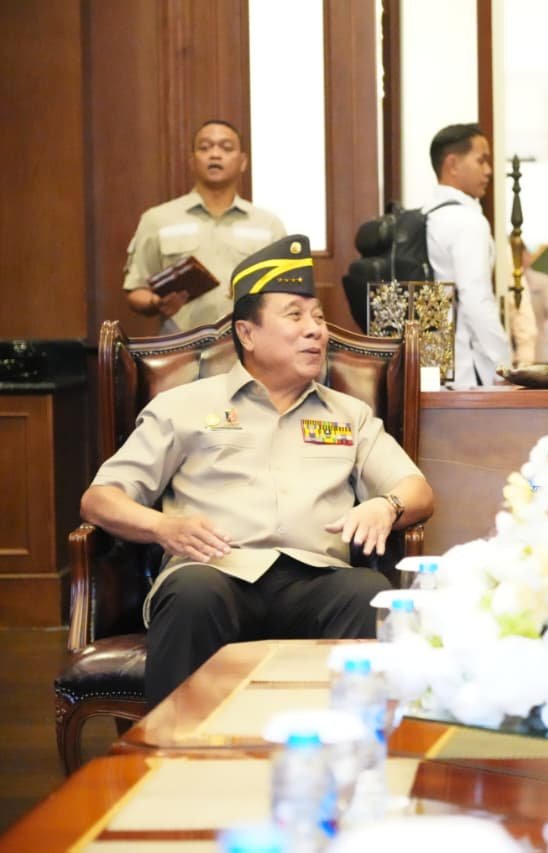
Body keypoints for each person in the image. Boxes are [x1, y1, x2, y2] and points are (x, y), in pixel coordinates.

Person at [81, 234, 434, 707]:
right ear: (246, 334)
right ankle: (175, 745)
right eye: (295, 315)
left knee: (367, 592)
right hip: (216, 575)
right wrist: (163, 527)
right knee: (192, 592)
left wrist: (386, 506)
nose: (315, 331)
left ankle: (355, 744)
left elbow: (417, 489)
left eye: (318, 317)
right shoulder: (183, 406)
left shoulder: (347, 413)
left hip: (317, 580)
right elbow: (100, 499)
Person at [123, 120, 286, 333]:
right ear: (192, 161)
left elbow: (287, 294)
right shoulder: (157, 220)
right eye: (205, 147)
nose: (215, 154)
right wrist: (156, 302)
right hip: (180, 346)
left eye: (226, 148)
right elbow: (136, 290)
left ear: (243, 161)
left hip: (250, 344)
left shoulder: (268, 225)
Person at [424, 123, 512, 387]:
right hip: (465, 368)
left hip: (430, 363)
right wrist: (503, 364)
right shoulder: (467, 221)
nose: (488, 170)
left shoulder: (427, 215)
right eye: (481, 160)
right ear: (452, 164)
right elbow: (476, 299)